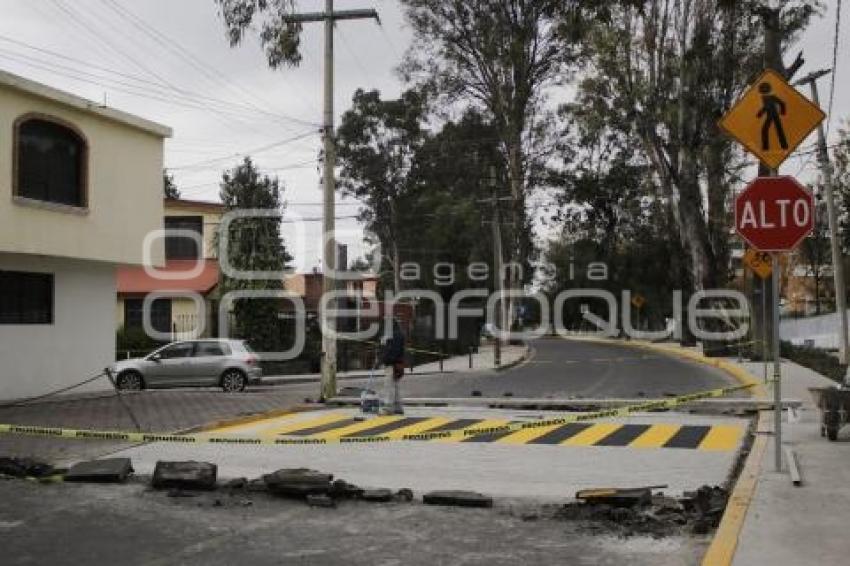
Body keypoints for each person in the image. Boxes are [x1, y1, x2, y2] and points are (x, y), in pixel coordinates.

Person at [380, 319, 406, 415]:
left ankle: (388, 407)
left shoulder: (393, 336)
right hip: (398, 363)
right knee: (396, 385)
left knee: (389, 385)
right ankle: (398, 407)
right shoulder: (399, 334)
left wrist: (385, 359)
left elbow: (391, 350)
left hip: (391, 364)